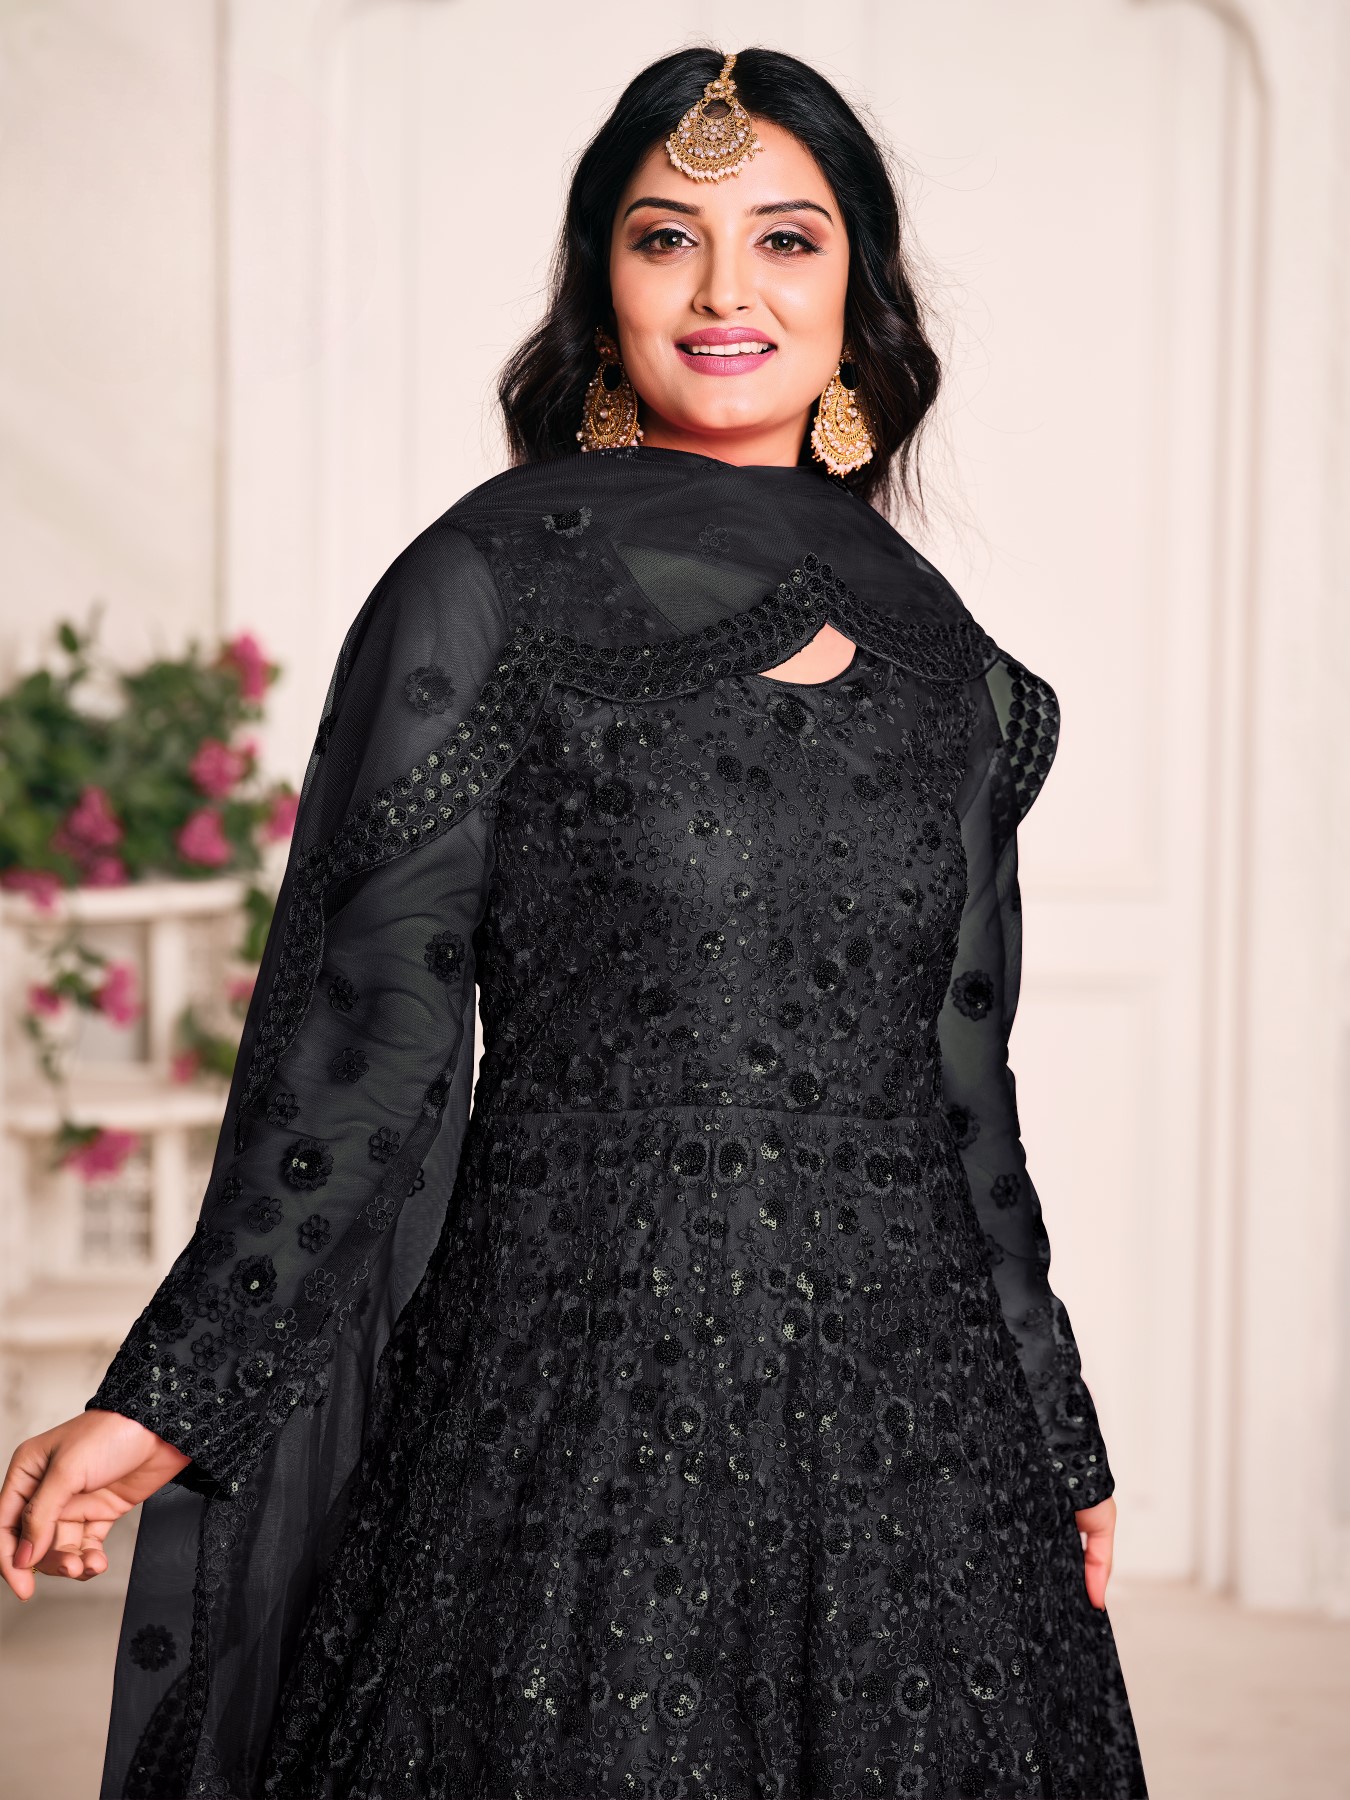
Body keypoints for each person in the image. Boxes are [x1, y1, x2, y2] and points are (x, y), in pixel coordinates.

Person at [0, 45, 1149, 1800]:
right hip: (577, 1398)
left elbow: (963, 1091)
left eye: (785, 240)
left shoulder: (947, 656)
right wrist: (173, 1395)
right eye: (664, 237)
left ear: (858, 292)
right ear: (598, 286)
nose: (724, 291)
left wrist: (1052, 1430)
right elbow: (364, 1038)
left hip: (918, 1437)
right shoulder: (492, 584)